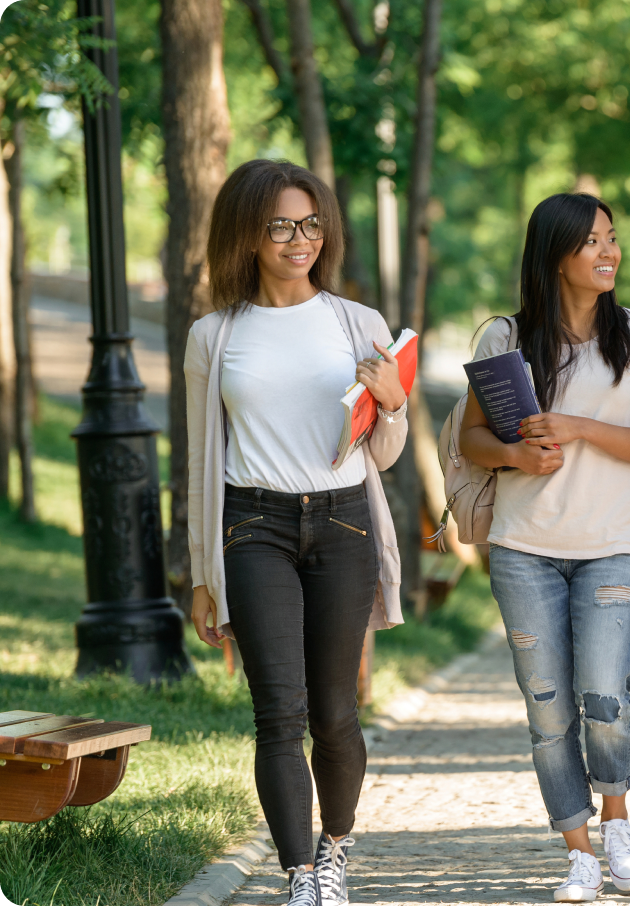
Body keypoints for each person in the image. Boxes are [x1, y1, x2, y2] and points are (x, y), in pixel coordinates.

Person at [185, 159, 409, 906]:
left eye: (310, 223)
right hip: (253, 524)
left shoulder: (358, 325)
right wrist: (200, 576)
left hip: (343, 520)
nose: (298, 238)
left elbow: (382, 451)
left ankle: (335, 845)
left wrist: (395, 403)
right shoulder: (214, 337)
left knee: (335, 713)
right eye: (281, 224)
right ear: (248, 234)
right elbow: (200, 462)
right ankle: (300, 876)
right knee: (277, 710)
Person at [458, 193, 630, 903]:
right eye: (591, 242)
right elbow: (471, 441)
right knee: (548, 705)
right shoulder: (504, 339)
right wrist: (517, 458)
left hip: (611, 544)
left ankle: (617, 822)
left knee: (604, 693)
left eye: (612, 238)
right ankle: (577, 847)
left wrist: (579, 426)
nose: (608, 252)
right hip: (523, 549)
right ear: (554, 255)